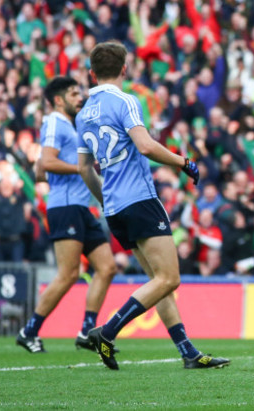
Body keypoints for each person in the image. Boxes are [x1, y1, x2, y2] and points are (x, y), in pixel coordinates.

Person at [76, 42, 229, 370]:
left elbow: (84, 167)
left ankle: (187, 352)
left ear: (91, 72)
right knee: (169, 279)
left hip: (115, 208)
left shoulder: (83, 112)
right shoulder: (126, 100)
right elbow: (145, 146)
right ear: (124, 69)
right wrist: (183, 162)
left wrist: (104, 199)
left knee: (157, 282)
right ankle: (108, 331)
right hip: (140, 200)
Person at [16, 76, 117, 354]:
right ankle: (29, 331)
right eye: (73, 94)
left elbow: (40, 169)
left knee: (107, 267)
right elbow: (47, 162)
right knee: (69, 274)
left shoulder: (68, 126)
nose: (79, 97)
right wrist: (82, 168)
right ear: (58, 100)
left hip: (81, 208)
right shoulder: (54, 121)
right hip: (65, 207)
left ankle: (87, 331)